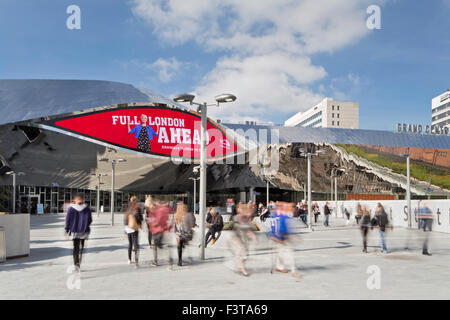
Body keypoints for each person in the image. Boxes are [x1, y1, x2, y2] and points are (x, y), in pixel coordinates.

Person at [268, 202, 300, 278]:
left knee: (281, 253)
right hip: (280, 237)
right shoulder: (281, 215)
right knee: (289, 254)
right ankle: (293, 271)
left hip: (280, 237)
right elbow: (279, 228)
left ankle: (280, 267)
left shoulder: (282, 215)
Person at [64, 193, 92, 272]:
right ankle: (78, 262)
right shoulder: (86, 208)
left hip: (75, 231)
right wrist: (86, 225)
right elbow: (90, 220)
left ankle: (76, 264)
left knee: (75, 248)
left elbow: (68, 220)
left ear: (75, 200)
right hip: (84, 231)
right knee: (81, 248)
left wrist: (67, 230)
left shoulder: (71, 208)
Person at [229, 203, 257, 276]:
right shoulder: (236, 218)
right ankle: (243, 269)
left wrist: (253, 236)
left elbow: (248, 229)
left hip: (244, 239)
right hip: (237, 239)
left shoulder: (247, 219)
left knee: (244, 255)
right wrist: (236, 238)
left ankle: (238, 265)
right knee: (241, 254)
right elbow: (234, 229)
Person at [148, 199, 172, 266]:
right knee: (160, 246)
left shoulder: (157, 210)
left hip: (157, 231)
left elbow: (154, 221)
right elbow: (166, 220)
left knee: (157, 246)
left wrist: (152, 223)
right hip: (161, 231)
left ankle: (156, 261)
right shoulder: (164, 210)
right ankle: (169, 260)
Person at [124, 196, 143, 266]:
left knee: (130, 244)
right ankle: (136, 260)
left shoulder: (128, 208)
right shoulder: (137, 208)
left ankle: (129, 259)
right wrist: (140, 224)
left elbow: (125, 219)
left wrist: (125, 228)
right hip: (135, 228)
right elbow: (140, 218)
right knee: (136, 244)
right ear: (136, 201)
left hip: (128, 228)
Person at [174, 202, 195, 266]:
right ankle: (184, 243)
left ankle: (179, 261)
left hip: (180, 235)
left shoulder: (176, 216)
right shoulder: (189, 215)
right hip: (188, 235)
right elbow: (192, 225)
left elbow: (175, 228)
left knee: (179, 246)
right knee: (182, 243)